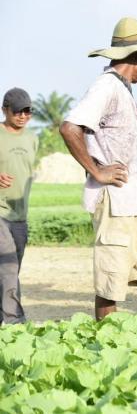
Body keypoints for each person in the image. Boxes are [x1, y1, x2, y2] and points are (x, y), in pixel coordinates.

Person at [60, 17, 137, 320]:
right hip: (114, 203)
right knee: (110, 283)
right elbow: (70, 128)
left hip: (136, 201)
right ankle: (106, 348)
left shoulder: (124, 91)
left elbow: (118, 144)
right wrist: (98, 171)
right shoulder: (106, 86)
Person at [0, 88, 38, 324]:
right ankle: (15, 324)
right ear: (5, 110)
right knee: (9, 267)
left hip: (20, 216)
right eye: (17, 111)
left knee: (8, 272)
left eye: (27, 111)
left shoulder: (32, 138)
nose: (23, 116)